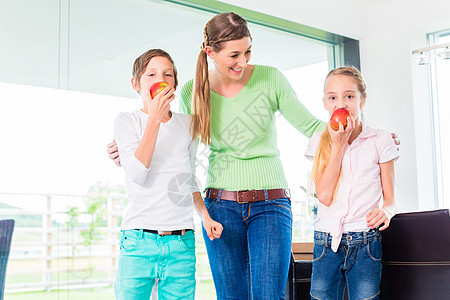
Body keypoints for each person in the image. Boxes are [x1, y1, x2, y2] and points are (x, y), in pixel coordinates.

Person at [106, 12, 400, 299]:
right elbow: (177, 144)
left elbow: (311, 127)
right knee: (230, 295)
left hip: (271, 205)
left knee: (268, 295)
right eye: (234, 55)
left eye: (248, 52)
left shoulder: (270, 78)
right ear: (211, 52)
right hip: (219, 206)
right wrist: (127, 150)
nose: (243, 62)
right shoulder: (193, 90)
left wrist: (370, 138)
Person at [113, 48, 222, 300]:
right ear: (135, 84)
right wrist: (154, 118)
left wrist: (205, 217)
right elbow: (137, 173)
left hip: (181, 243)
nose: (160, 79)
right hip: (138, 241)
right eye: (151, 74)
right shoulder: (127, 121)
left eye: (167, 74)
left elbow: (188, 178)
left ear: (174, 84)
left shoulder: (189, 124)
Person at [305, 66, 399, 300]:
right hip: (326, 241)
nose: (341, 104)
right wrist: (339, 144)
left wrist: (386, 212)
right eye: (332, 97)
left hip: (366, 240)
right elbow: (324, 196)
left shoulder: (380, 140)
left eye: (349, 96)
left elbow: (391, 200)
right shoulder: (319, 141)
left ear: (362, 100)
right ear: (325, 103)